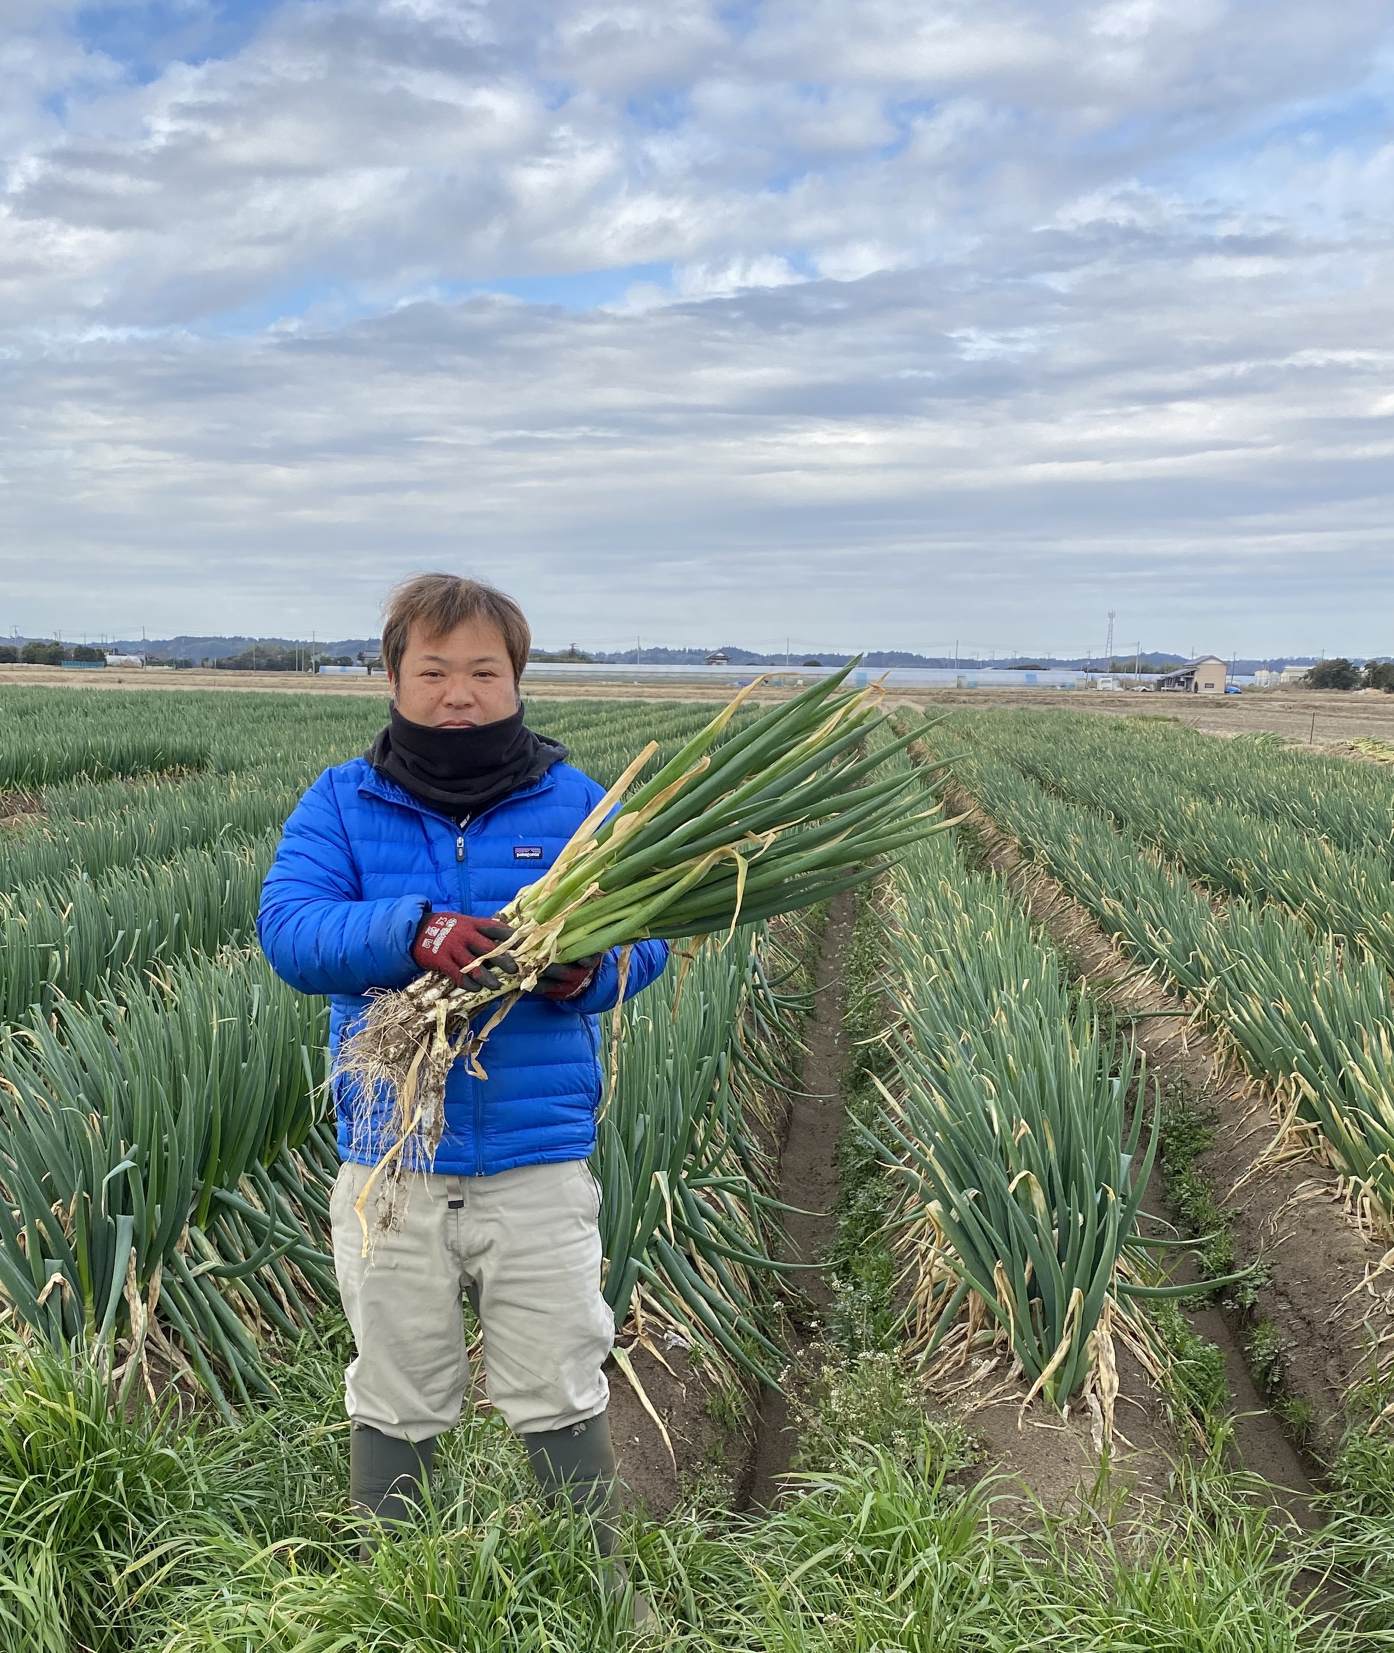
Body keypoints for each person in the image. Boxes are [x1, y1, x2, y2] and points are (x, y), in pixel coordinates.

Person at [257, 572, 668, 1616]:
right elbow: (291, 930)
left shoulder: (577, 805)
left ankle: (594, 1592)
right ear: (394, 679)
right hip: (391, 1159)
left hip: (535, 1156)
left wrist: (592, 971)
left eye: (483, 671)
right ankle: (395, 1598)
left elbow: (650, 935)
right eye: (433, 671)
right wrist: (413, 930)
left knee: (559, 1372)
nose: (458, 693)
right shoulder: (342, 801)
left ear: (516, 680)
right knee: (397, 1380)